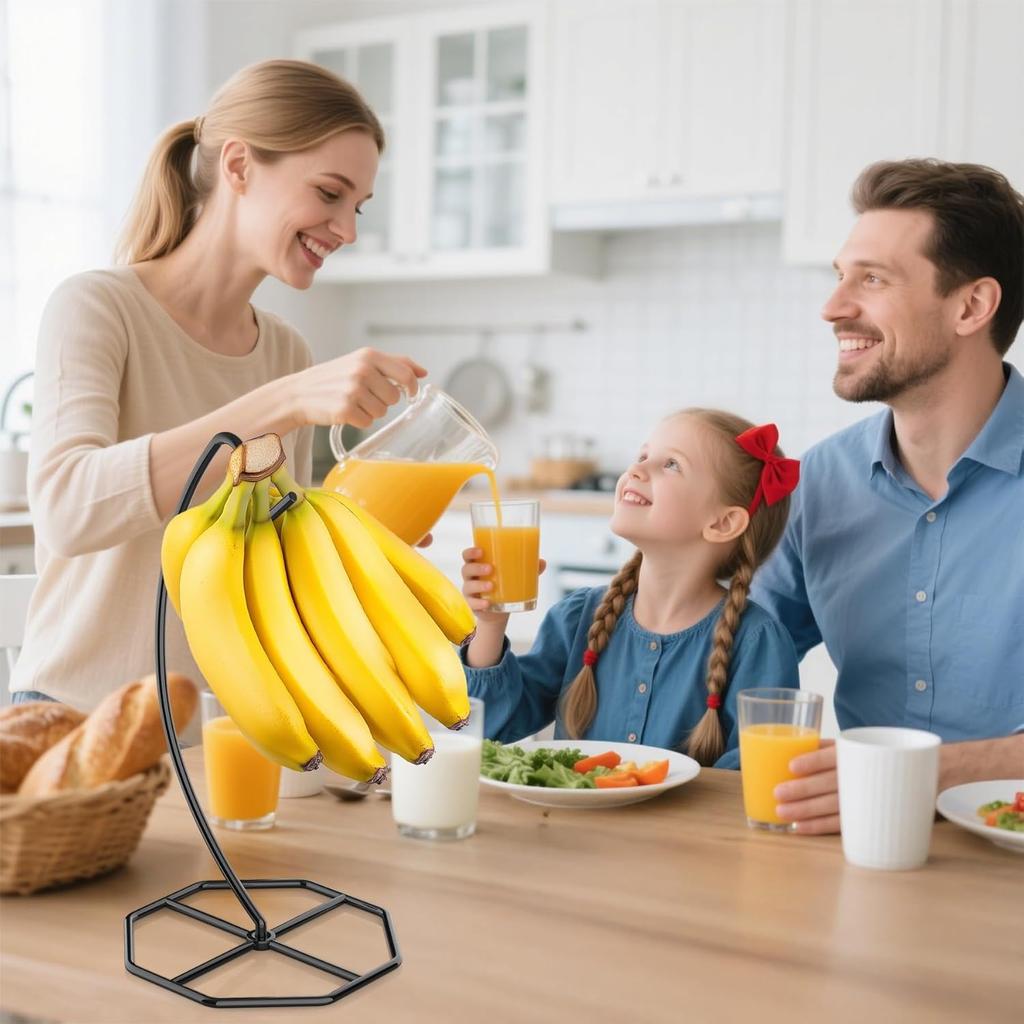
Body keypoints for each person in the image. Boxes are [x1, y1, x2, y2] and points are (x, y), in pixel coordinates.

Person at [11, 60, 427, 711]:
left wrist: (367, 544)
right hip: (75, 722)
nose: (347, 230)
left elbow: (275, 567)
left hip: (229, 732)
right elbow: (67, 509)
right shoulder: (98, 307)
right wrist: (282, 403)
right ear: (238, 167)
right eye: (328, 194)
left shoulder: (287, 351)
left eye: (358, 207)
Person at [751, 159, 1024, 833]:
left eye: (871, 279)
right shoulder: (818, 484)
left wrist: (925, 774)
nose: (833, 306)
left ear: (971, 306)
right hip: (861, 851)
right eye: (841, 276)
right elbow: (726, 657)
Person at [460, 409, 801, 768]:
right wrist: (490, 625)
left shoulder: (757, 643)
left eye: (671, 464)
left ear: (723, 522)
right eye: (642, 456)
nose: (636, 470)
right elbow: (495, 725)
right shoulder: (578, 618)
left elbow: (755, 778)